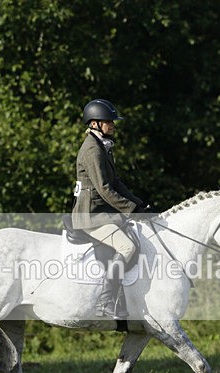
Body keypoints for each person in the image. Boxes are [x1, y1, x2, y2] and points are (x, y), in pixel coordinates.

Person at [71, 99, 150, 319]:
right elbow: (105, 189)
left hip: (102, 213)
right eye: (109, 121)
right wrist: (130, 209)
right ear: (95, 123)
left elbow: (116, 183)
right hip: (90, 216)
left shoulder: (102, 146)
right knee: (127, 248)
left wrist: (138, 203)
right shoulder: (91, 150)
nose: (113, 125)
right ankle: (105, 302)